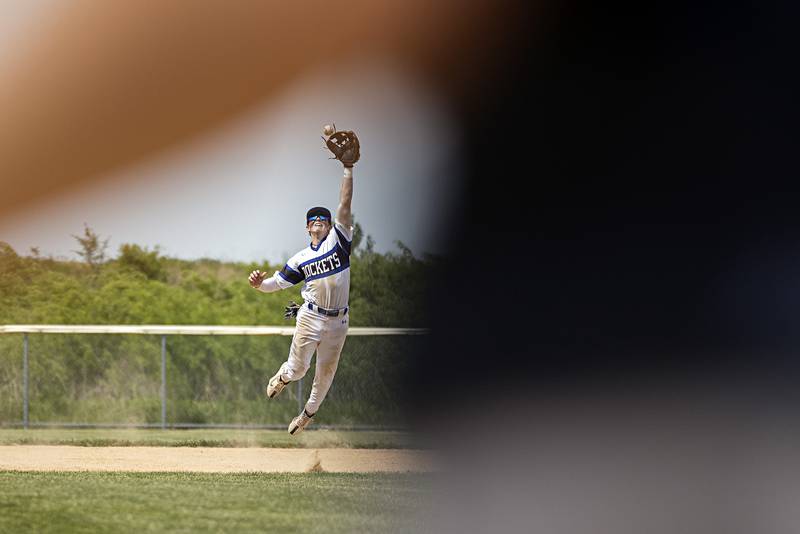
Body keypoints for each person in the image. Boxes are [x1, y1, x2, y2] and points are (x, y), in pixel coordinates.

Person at [248, 163, 354, 434]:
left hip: (339, 320)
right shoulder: (301, 258)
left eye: (323, 218)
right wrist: (260, 285)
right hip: (310, 315)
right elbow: (277, 284)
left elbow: (344, 202)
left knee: (325, 374)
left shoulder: (339, 242)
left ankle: (307, 415)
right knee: (298, 370)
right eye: (313, 219)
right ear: (307, 228)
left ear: (331, 226)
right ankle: (283, 377)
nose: (318, 220)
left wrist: (348, 168)